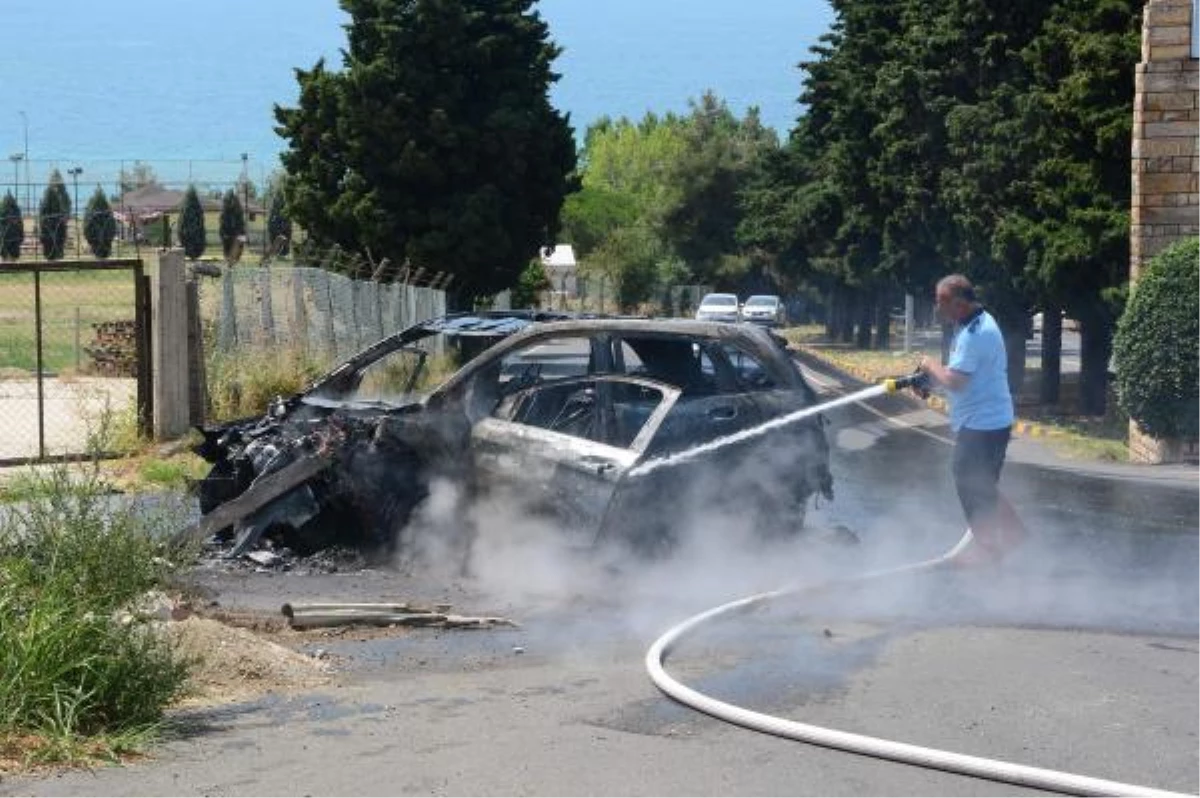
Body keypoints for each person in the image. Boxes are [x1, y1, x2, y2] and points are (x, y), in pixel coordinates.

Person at [917, 274, 1026, 565]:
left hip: (984, 424)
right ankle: (1013, 533)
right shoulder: (970, 324)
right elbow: (962, 376)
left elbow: (956, 380)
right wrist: (928, 382)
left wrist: (930, 365)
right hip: (986, 420)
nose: (937, 308)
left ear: (959, 304)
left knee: (969, 481)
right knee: (984, 483)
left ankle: (987, 548)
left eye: (941, 303)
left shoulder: (975, 334)